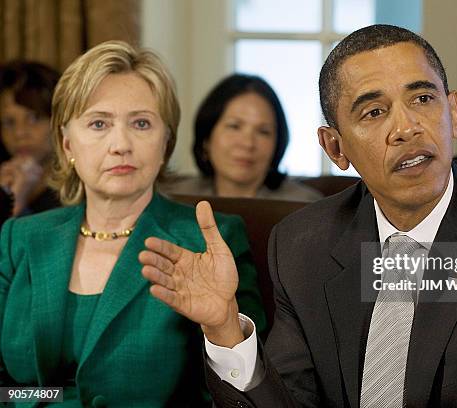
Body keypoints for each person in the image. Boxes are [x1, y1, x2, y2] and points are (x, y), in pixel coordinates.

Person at [141, 25, 457, 406]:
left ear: (452, 113)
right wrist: (224, 328)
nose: (407, 128)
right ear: (335, 147)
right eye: (375, 112)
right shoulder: (302, 245)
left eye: (422, 100)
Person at [0, 41, 265, 407]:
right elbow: (4, 389)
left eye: (141, 123)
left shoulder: (212, 240)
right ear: (67, 144)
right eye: (98, 123)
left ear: (165, 143)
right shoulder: (19, 238)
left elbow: (251, 400)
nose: (120, 144)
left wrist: (222, 329)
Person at [167, 73, 321, 201]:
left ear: (278, 143)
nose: (248, 143)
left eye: (263, 132)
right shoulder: (171, 198)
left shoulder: (304, 206)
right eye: (234, 126)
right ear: (206, 137)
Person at [0, 61, 62, 220]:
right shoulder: (5, 180)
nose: (19, 133)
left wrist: (15, 205)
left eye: (34, 118)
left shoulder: (78, 193)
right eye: (9, 123)